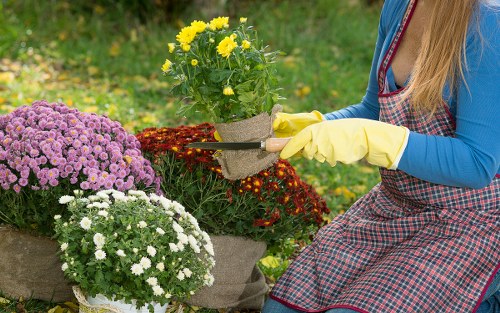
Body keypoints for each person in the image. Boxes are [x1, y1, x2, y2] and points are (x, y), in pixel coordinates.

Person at [263, 0, 500, 312]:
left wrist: (371, 138)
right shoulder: (401, 6)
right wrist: (318, 125)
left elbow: (477, 163)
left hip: (470, 223)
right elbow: (374, 109)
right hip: (395, 205)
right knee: (283, 308)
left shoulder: (488, 24)